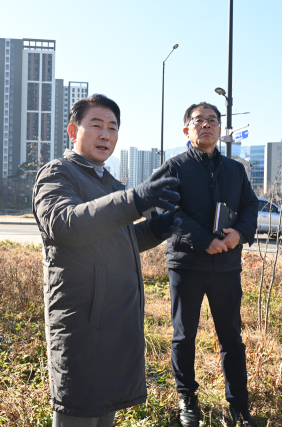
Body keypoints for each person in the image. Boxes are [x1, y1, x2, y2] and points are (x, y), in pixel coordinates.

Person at [32, 94, 182, 426]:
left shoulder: (109, 182)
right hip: (82, 324)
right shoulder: (57, 174)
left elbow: (117, 240)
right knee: (79, 411)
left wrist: (156, 229)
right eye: (96, 125)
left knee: (105, 415)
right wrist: (134, 199)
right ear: (73, 131)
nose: (106, 135)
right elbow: (67, 225)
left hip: (115, 326)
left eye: (113, 128)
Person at [163, 102, 259, 426]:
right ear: (187, 129)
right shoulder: (174, 167)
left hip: (226, 266)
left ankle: (239, 405)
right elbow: (169, 212)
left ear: (219, 129)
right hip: (187, 264)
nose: (206, 125)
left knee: (231, 337)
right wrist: (206, 239)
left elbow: (250, 206)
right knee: (183, 336)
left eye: (212, 121)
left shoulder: (235, 170)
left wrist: (239, 234)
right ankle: (187, 399)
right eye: (198, 120)